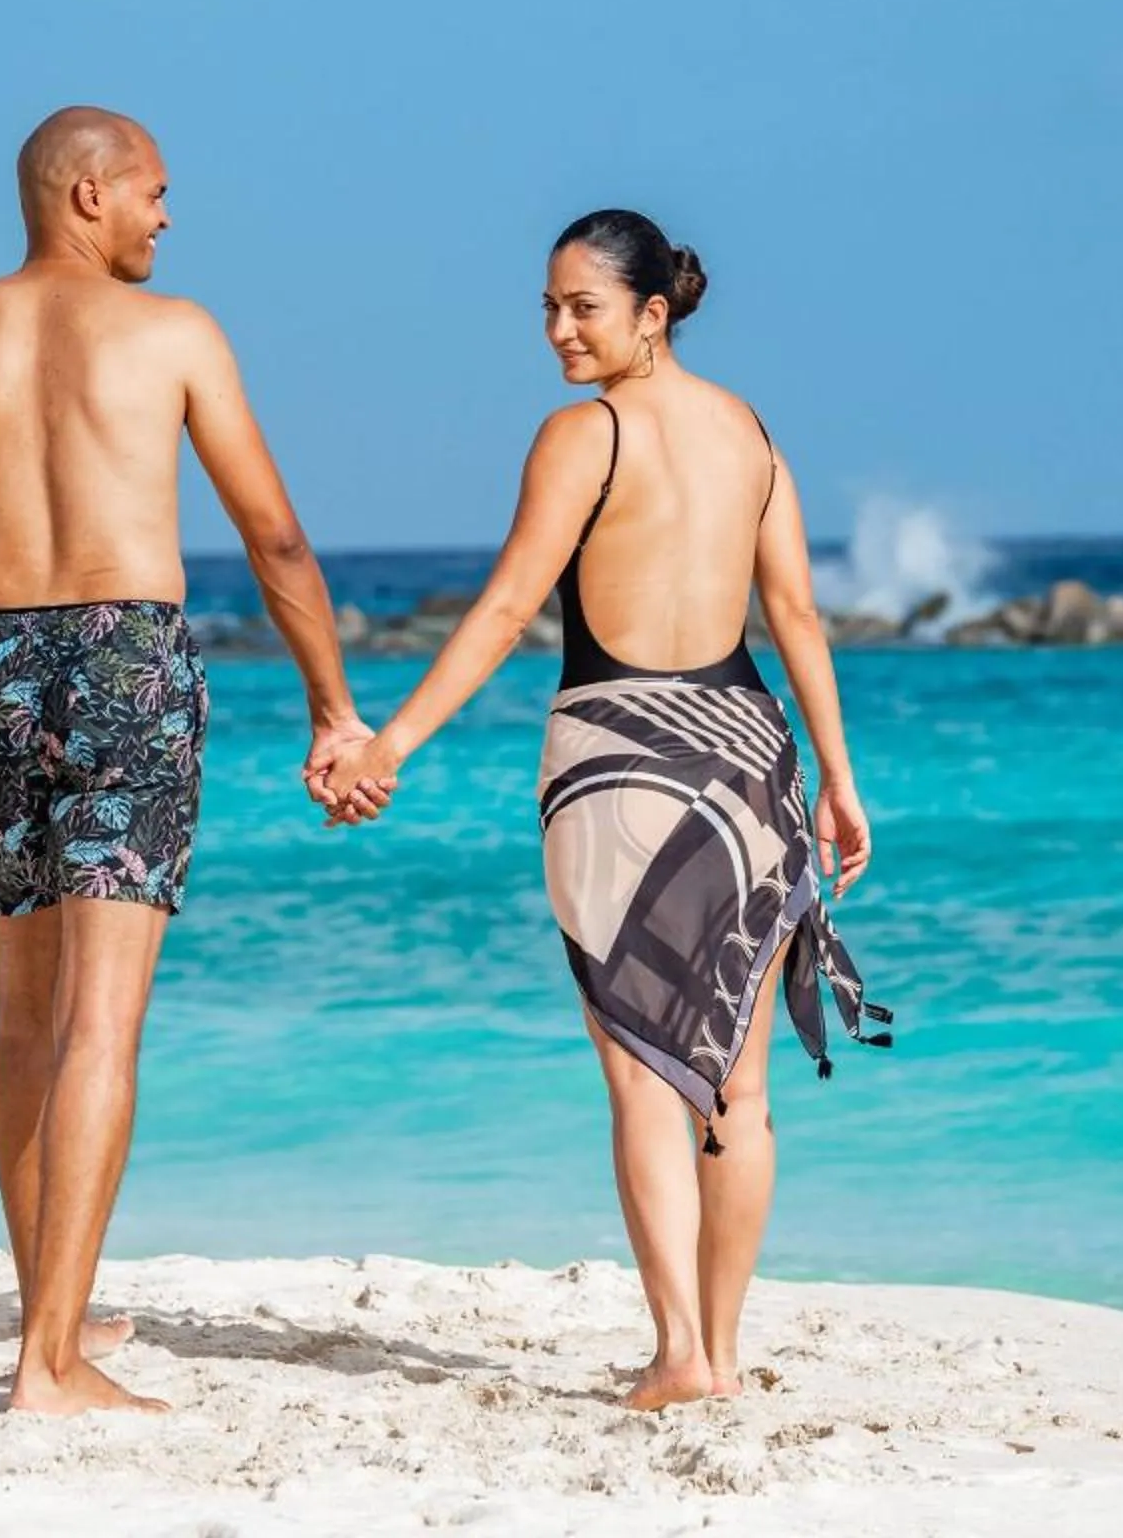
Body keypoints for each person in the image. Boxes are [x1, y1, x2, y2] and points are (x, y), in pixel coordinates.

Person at [0, 105, 374, 1414]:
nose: (167, 217)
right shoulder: (174, 333)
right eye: (155, 192)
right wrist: (334, 710)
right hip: (127, 663)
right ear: (87, 195)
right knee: (101, 1025)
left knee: (23, 1019)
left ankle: (55, 1324)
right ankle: (48, 1365)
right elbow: (277, 539)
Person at [321, 209, 888, 1411]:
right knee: (738, 1085)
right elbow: (795, 617)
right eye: (547, 307)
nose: (558, 330)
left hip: (622, 764)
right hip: (751, 758)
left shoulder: (586, 435)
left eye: (582, 307)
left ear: (652, 313)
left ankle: (683, 1349)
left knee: (644, 1072)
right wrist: (835, 776)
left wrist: (393, 743)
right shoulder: (750, 431)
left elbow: (502, 610)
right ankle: (718, 1353)